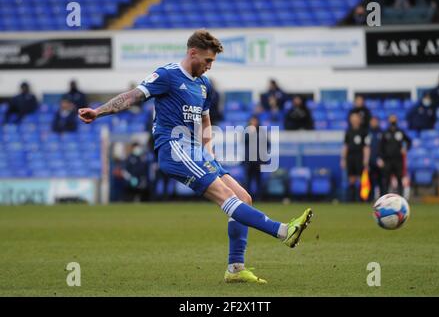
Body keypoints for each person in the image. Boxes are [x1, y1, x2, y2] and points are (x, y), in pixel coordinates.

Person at [78, 30, 313, 284]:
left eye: (212, 62)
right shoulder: (167, 75)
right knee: (226, 198)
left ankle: (235, 268)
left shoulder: (203, 85)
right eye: (207, 61)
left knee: (244, 197)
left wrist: (208, 148)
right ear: (193, 53)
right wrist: (99, 111)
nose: (210, 67)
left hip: (195, 151)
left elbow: (205, 117)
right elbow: (133, 96)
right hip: (174, 148)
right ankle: (283, 232)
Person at [378, 115, 412, 197]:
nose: (392, 120)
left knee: (399, 179)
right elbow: (380, 146)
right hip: (387, 160)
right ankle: (385, 198)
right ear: (388, 120)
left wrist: (405, 148)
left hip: (398, 160)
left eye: (394, 118)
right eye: (391, 118)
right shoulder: (385, 132)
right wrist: (381, 158)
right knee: (386, 180)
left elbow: (409, 141)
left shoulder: (400, 132)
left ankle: (401, 197)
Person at [341, 112, 370, 202]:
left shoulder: (363, 132)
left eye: (355, 118)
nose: (354, 120)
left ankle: (362, 199)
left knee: (361, 178)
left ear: (359, 119)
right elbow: (345, 146)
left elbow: (366, 147)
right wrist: (343, 159)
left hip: (359, 156)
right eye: (352, 118)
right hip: (350, 157)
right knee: (351, 178)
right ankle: (351, 199)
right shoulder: (348, 131)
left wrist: (366, 159)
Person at [243, 116, 268, 201]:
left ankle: (259, 198)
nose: (253, 122)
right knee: (248, 180)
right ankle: (247, 198)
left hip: (258, 160)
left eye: (255, 121)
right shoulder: (247, 131)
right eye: (252, 121)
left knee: (258, 180)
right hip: (249, 160)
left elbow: (267, 144)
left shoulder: (262, 132)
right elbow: (243, 141)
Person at [368, 117, 384, 201]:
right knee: (371, 182)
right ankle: (370, 199)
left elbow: (384, 148)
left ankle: (382, 199)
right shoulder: (367, 132)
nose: (373, 123)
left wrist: (381, 158)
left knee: (381, 181)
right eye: (372, 121)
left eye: (375, 121)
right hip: (370, 161)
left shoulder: (382, 133)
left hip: (380, 161)